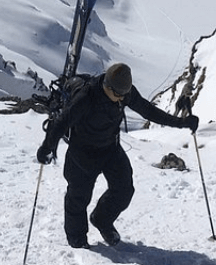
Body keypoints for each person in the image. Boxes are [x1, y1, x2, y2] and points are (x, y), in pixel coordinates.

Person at [36, 62, 199, 248]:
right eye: (118, 94)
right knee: (78, 198)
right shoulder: (86, 97)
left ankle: (102, 220)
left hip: (110, 148)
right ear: (106, 86)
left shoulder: (124, 92)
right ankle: (77, 241)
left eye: (124, 94)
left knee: (124, 190)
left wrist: (182, 123)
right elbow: (61, 122)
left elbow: (148, 111)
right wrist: (47, 147)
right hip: (82, 153)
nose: (122, 98)